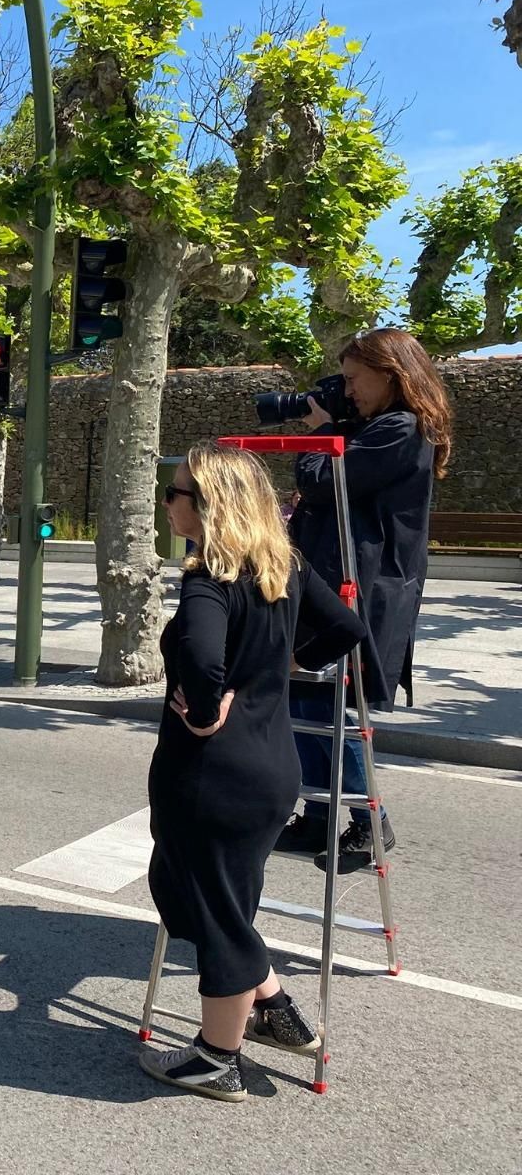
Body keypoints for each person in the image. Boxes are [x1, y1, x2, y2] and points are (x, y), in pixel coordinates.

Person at [139, 443, 368, 1103]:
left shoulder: (208, 579)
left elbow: (202, 658)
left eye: (176, 493)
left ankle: (217, 1058)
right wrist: (286, 665)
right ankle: (273, 1006)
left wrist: (204, 709)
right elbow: (345, 628)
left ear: (209, 506)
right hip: (270, 769)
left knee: (218, 916)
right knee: (187, 891)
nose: (167, 503)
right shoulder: (283, 566)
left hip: (211, 776)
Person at [278, 328, 454, 870]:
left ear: (391, 374)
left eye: (355, 379)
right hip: (333, 579)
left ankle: (369, 821)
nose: (348, 390)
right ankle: (317, 814)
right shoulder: (377, 427)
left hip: (361, 587)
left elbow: (324, 481)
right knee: (302, 696)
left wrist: (323, 431)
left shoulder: (402, 428)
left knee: (329, 703)